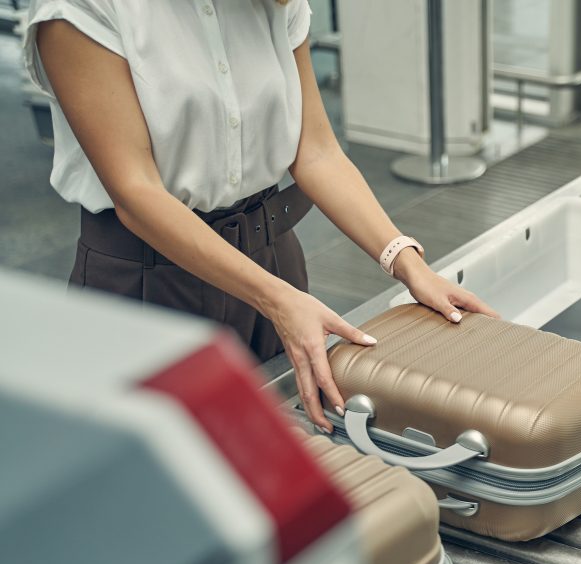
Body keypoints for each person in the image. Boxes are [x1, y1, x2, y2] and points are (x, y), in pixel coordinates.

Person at [23, 0, 497, 432]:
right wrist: (277, 300)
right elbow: (137, 192)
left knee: (277, 472)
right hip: (148, 282)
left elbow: (315, 151)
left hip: (275, 262)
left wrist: (407, 263)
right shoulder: (83, 9)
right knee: (162, 490)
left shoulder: (278, 5)